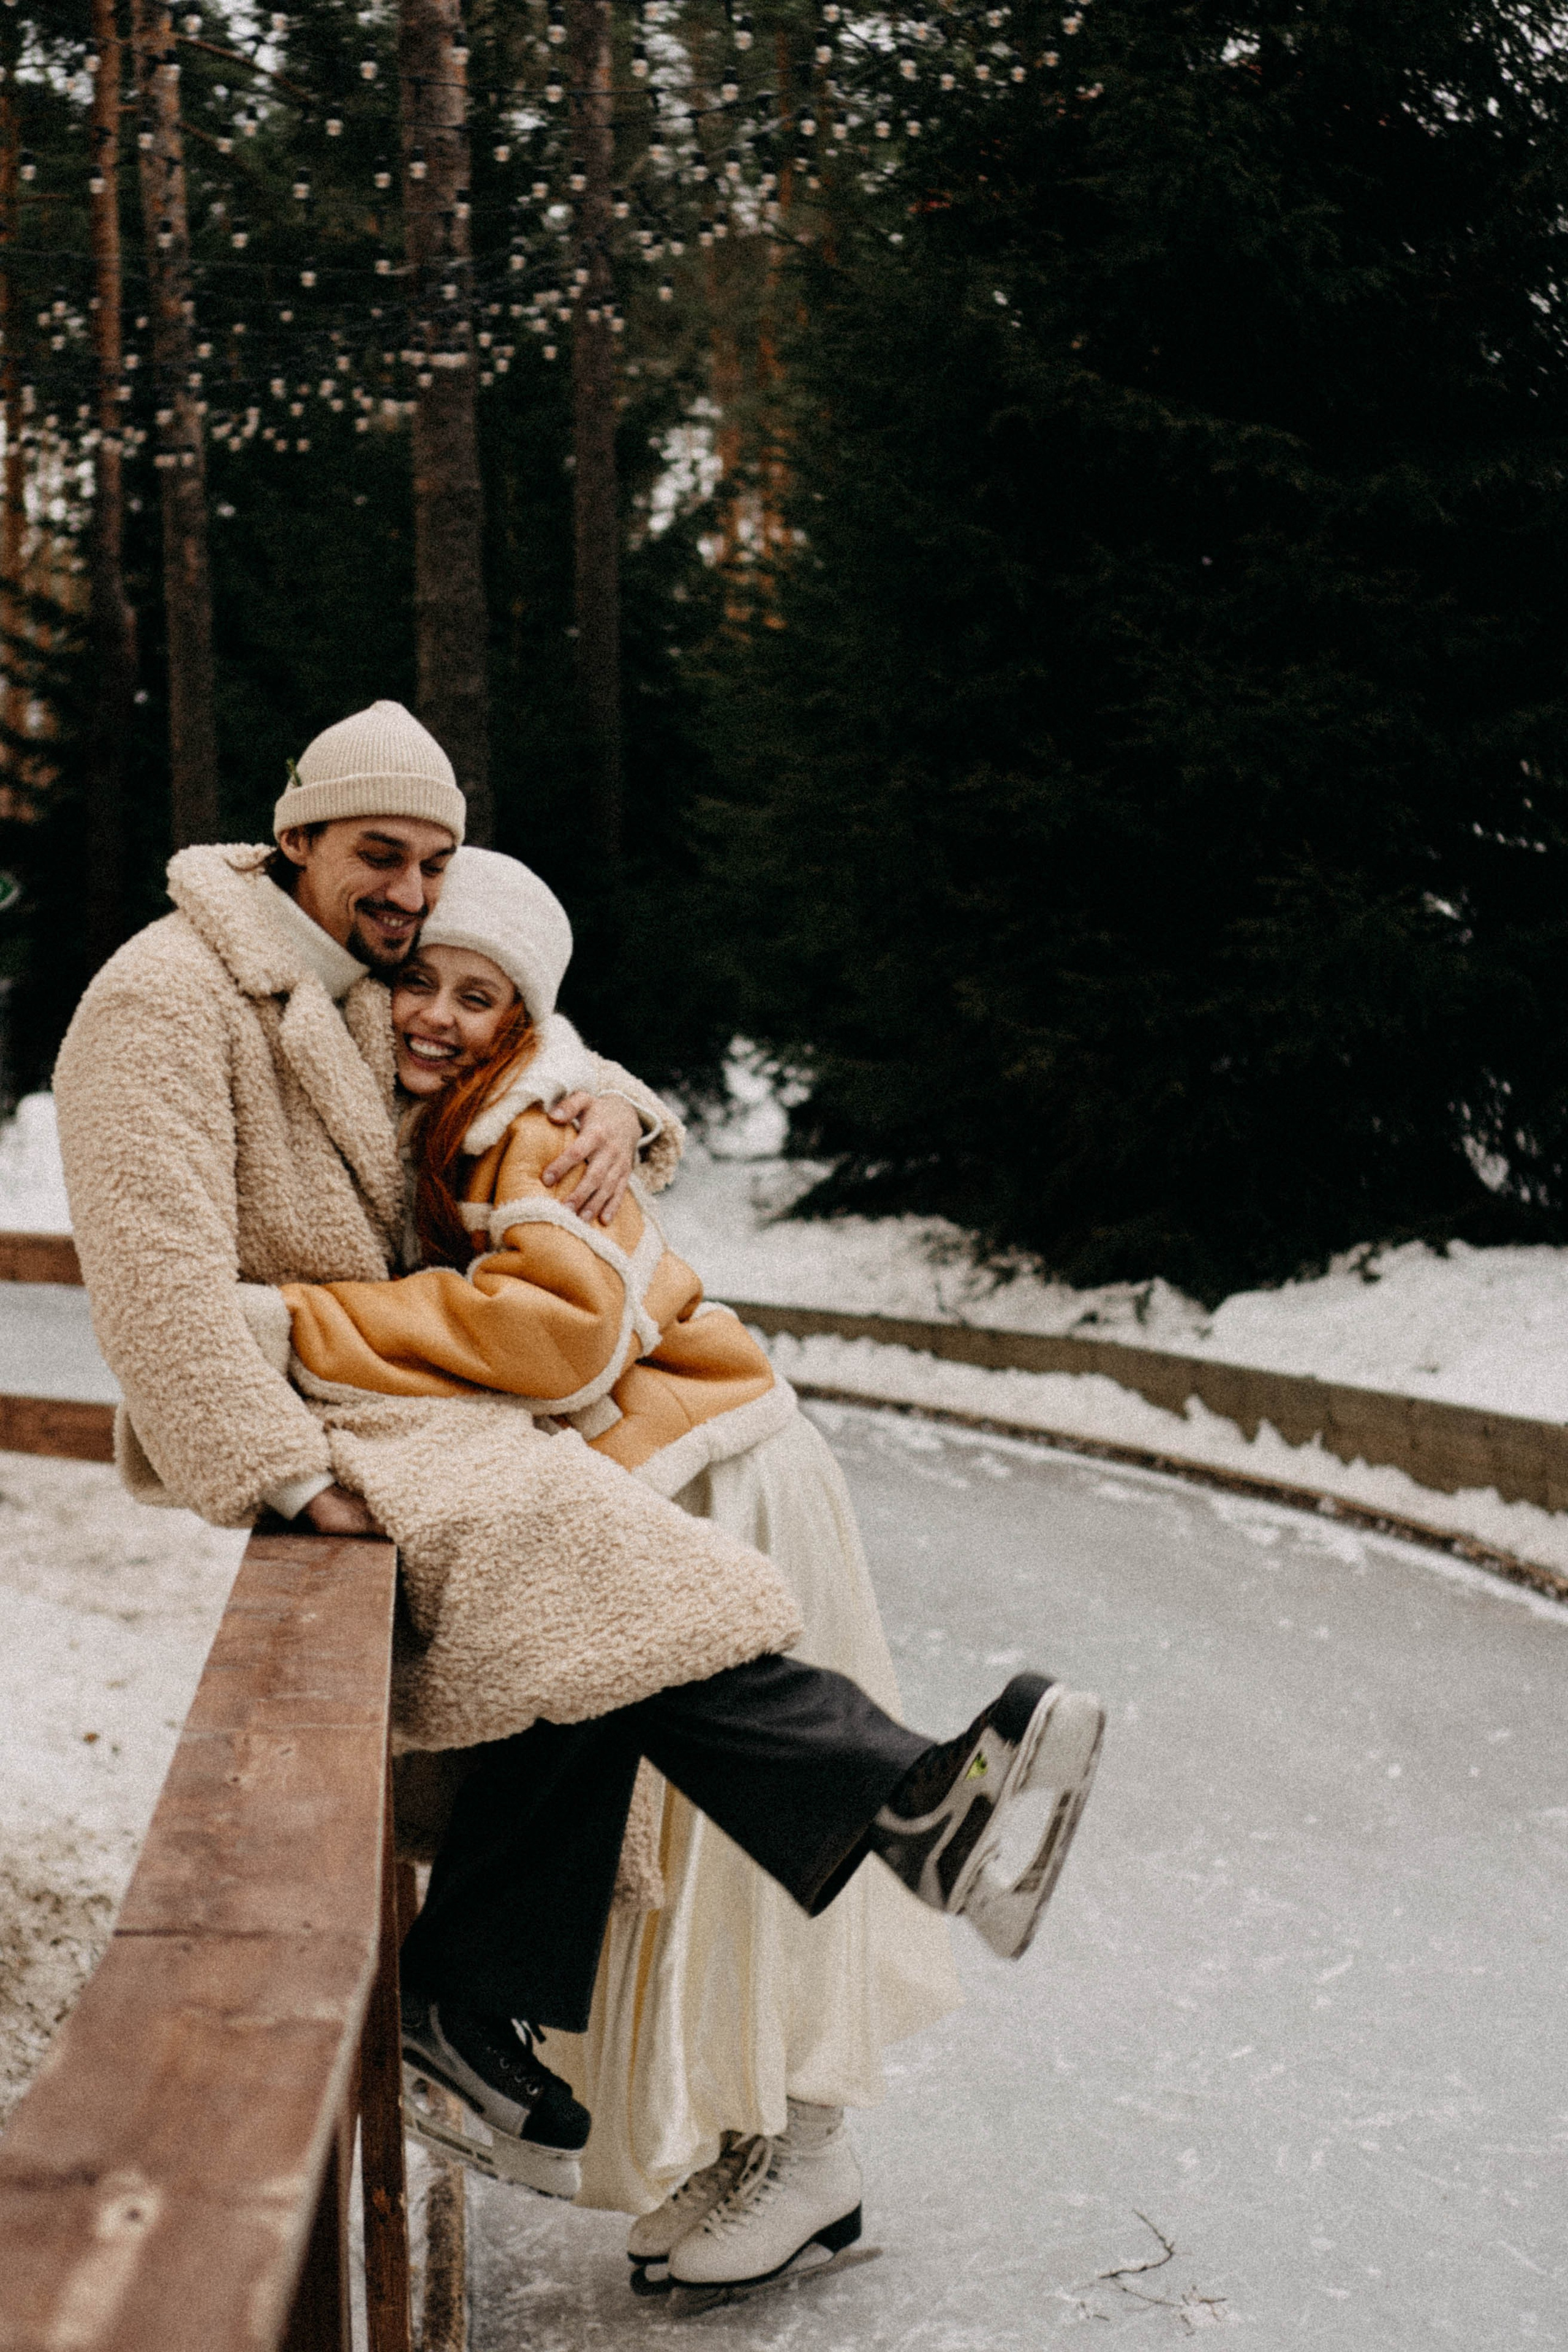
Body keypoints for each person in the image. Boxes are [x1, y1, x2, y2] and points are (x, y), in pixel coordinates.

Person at [52, 699, 1103, 2298]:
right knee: (595, 1619)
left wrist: (616, 1101)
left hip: (538, 1428)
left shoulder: (368, 985)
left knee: (609, 1638)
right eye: (380, 854)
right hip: (381, 1431)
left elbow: (519, 1040)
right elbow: (153, 1280)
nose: (410, 897)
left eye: (431, 861)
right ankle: (863, 1835)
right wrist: (277, 1472)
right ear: (296, 836)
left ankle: (687, 1964)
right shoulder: (173, 996)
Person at [277, 845, 966, 2287]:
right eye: (418, 979)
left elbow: (557, 1331)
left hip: (717, 1478)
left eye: (479, 996)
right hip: (667, 1480)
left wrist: (301, 1324)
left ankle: (806, 2152)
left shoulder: (522, 1117)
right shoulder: (486, 1105)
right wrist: (619, 1100)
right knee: (693, 1860)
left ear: (522, 1023)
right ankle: (766, 2147)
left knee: (736, 1858)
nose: (436, 1014)